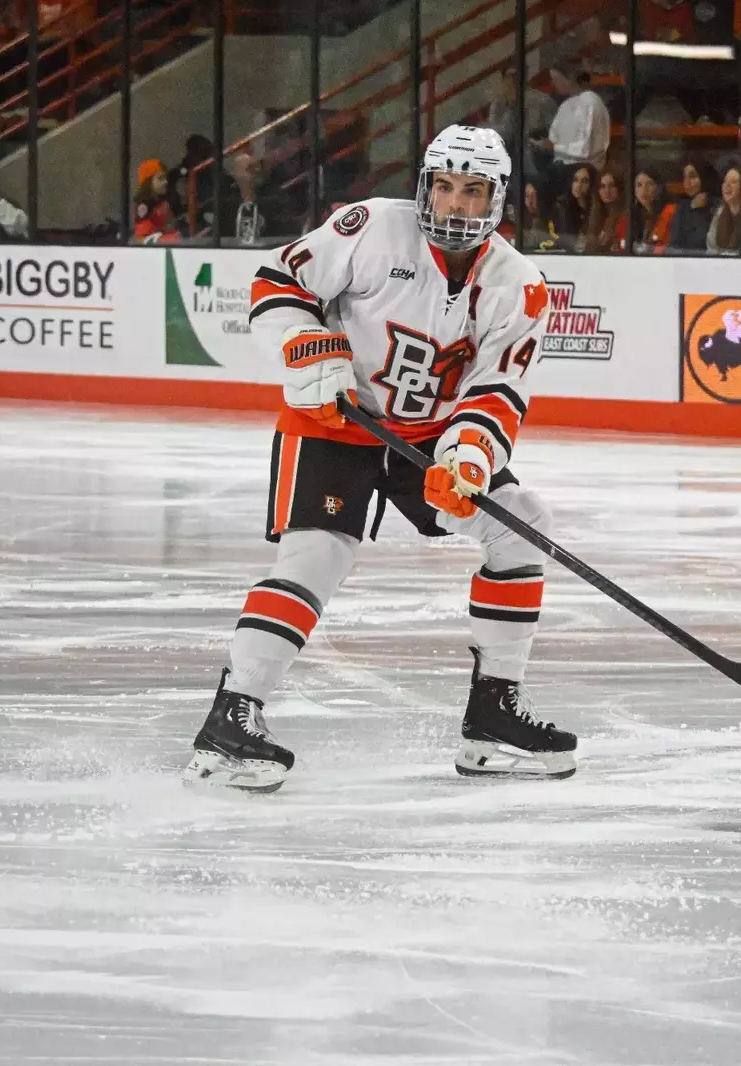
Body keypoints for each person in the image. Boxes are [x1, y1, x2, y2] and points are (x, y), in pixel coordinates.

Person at [185, 125, 571, 792]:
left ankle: (492, 718)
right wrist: (305, 343)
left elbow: (498, 387)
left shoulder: (520, 285)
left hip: (428, 442)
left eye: (473, 190)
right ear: (424, 186)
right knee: (317, 558)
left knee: (518, 525)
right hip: (334, 422)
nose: (455, 204)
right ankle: (232, 715)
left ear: (497, 198)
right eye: (445, 186)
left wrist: (471, 456)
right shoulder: (370, 228)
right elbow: (280, 278)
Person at [543, 66, 611, 197]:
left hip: (585, 166)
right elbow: (553, 135)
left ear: (570, 80)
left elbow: (586, 148)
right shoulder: (566, 104)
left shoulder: (592, 102)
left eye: (556, 79)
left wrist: (556, 147)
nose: (553, 83)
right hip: (563, 163)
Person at [621, 168, 675, 253]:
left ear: (659, 188)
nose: (644, 189)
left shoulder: (671, 211)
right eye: (639, 185)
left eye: (649, 184)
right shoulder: (631, 215)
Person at [668, 161, 719, 252]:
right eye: (684, 177)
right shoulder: (682, 207)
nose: (687, 183)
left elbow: (705, 241)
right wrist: (693, 208)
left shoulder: (720, 205)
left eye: (692, 176)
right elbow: (674, 244)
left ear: (704, 177)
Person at [133, 159, 182, 244]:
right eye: (160, 178)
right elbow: (144, 238)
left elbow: (170, 225)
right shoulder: (143, 205)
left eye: (165, 177)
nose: (166, 182)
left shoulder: (164, 202)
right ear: (148, 182)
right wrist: (174, 237)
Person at [551, 163, 597, 251]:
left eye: (584, 181)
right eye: (575, 180)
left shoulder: (595, 208)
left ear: (592, 184)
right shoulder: (562, 205)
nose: (578, 185)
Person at [584, 170, 624, 253]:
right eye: (602, 186)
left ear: (619, 189)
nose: (607, 191)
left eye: (611, 186)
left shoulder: (624, 216)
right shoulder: (597, 214)